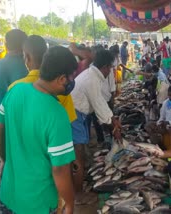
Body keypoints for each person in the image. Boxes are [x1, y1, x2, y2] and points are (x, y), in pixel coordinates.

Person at [0, 46, 77, 214]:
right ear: (61, 79)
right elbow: (60, 169)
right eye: (71, 77)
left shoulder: (15, 91)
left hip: (9, 194)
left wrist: (8, 160)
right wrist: (70, 203)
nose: (72, 82)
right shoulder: (57, 113)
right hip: (39, 203)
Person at [71, 50, 122, 202]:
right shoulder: (91, 79)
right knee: (78, 153)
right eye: (111, 68)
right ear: (105, 67)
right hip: (74, 116)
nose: (111, 71)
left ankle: (81, 179)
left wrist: (113, 120)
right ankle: (78, 194)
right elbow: (99, 105)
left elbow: (99, 101)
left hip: (80, 114)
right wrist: (113, 126)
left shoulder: (92, 75)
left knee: (81, 151)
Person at [9, 35, 77, 121]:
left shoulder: (14, 88)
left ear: (27, 57)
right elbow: (69, 123)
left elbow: (5, 124)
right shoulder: (61, 86)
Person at [0, 29, 28, 114]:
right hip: (29, 126)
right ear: (25, 46)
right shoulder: (32, 69)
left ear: (6, 45)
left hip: (0, 125)